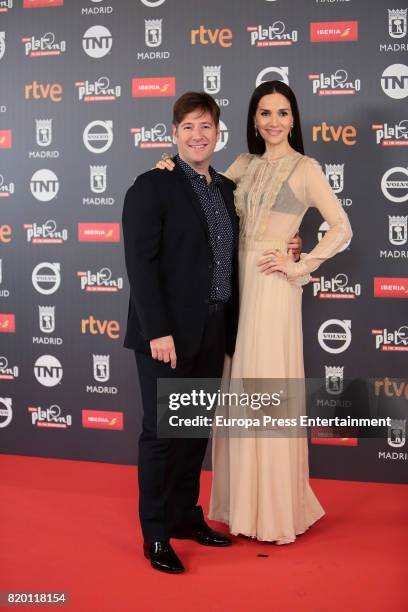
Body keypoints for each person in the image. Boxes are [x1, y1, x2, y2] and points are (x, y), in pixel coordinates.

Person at [156, 81, 352, 544]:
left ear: (294, 119)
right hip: (233, 286)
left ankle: (274, 512)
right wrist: (168, 166)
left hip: (272, 286)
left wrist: (299, 264)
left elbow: (341, 227)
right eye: (264, 113)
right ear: (253, 120)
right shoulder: (242, 164)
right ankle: (243, 507)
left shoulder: (306, 168)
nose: (274, 122)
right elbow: (199, 192)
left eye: (282, 113)